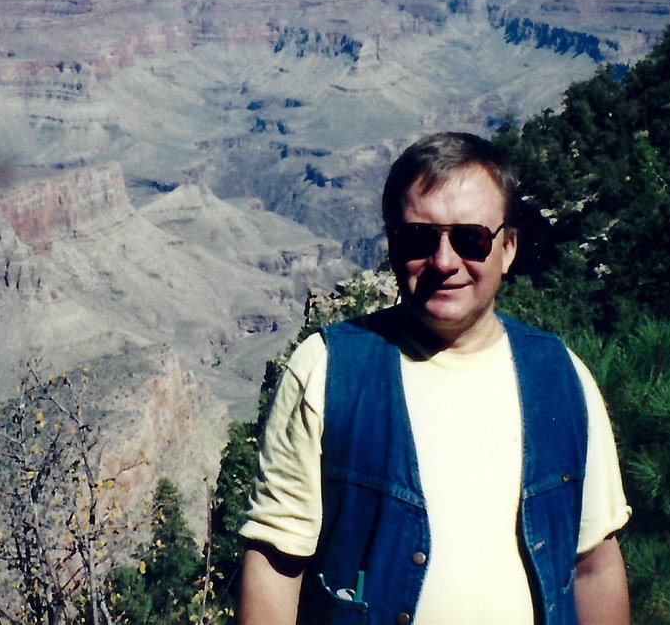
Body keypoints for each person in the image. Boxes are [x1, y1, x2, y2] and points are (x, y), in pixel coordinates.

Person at [239, 132, 631, 625]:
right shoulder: (327, 370)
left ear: (508, 248)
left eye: (471, 239)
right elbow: (275, 559)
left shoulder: (562, 376)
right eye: (420, 239)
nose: (444, 262)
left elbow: (594, 563)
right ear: (392, 247)